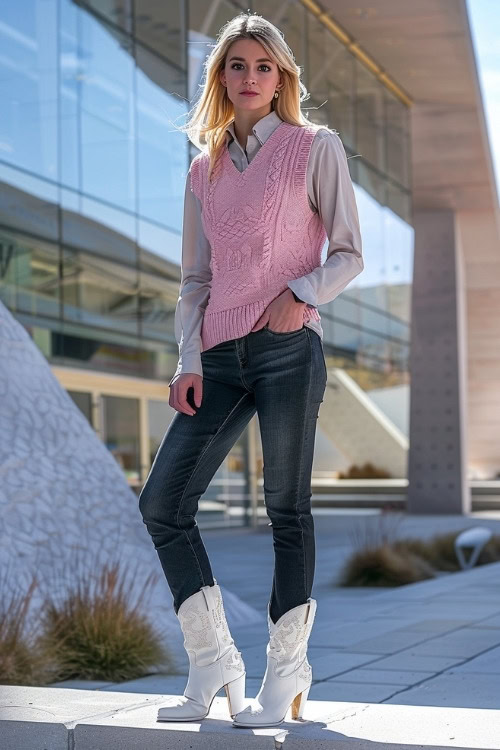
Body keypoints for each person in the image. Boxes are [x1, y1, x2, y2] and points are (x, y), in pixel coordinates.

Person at [138, 11, 364, 728]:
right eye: (236, 65)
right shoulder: (203, 169)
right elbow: (194, 279)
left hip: (288, 349)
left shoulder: (313, 147)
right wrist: (186, 358)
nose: (250, 78)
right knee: (162, 505)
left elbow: (348, 253)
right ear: (221, 77)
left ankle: (287, 674)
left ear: (282, 76)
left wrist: (300, 299)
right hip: (218, 357)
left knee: (287, 509)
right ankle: (213, 661)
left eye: (263, 66)